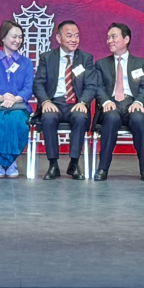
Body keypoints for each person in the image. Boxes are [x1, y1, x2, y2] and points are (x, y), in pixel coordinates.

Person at [32, 20, 94, 180]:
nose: (74, 40)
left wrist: (83, 102)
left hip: (76, 103)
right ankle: (53, 165)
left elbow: (91, 85)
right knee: (48, 118)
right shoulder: (47, 58)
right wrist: (45, 102)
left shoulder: (86, 58)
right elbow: (38, 83)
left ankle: (74, 164)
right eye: (69, 36)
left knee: (80, 117)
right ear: (59, 38)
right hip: (55, 102)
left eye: (76, 36)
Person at [92, 22, 144, 181]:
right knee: (111, 118)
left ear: (126, 39)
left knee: (139, 119)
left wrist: (139, 102)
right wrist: (106, 101)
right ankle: (102, 168)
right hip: (111, 103)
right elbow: (97, 87)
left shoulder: (141, 63)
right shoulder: (101, 64)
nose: (109, 41)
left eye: (114, 37)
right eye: (108, 38)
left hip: (132, 102)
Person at [0, 20, 34, 178]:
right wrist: (1, 98)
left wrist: (14, 99)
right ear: (3, 37)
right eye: (14, 36)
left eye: (20, 37)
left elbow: (28, 89)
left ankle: (10, 161)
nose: (18, 40)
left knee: (15, 120)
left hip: (18, 106)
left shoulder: (26, 63)